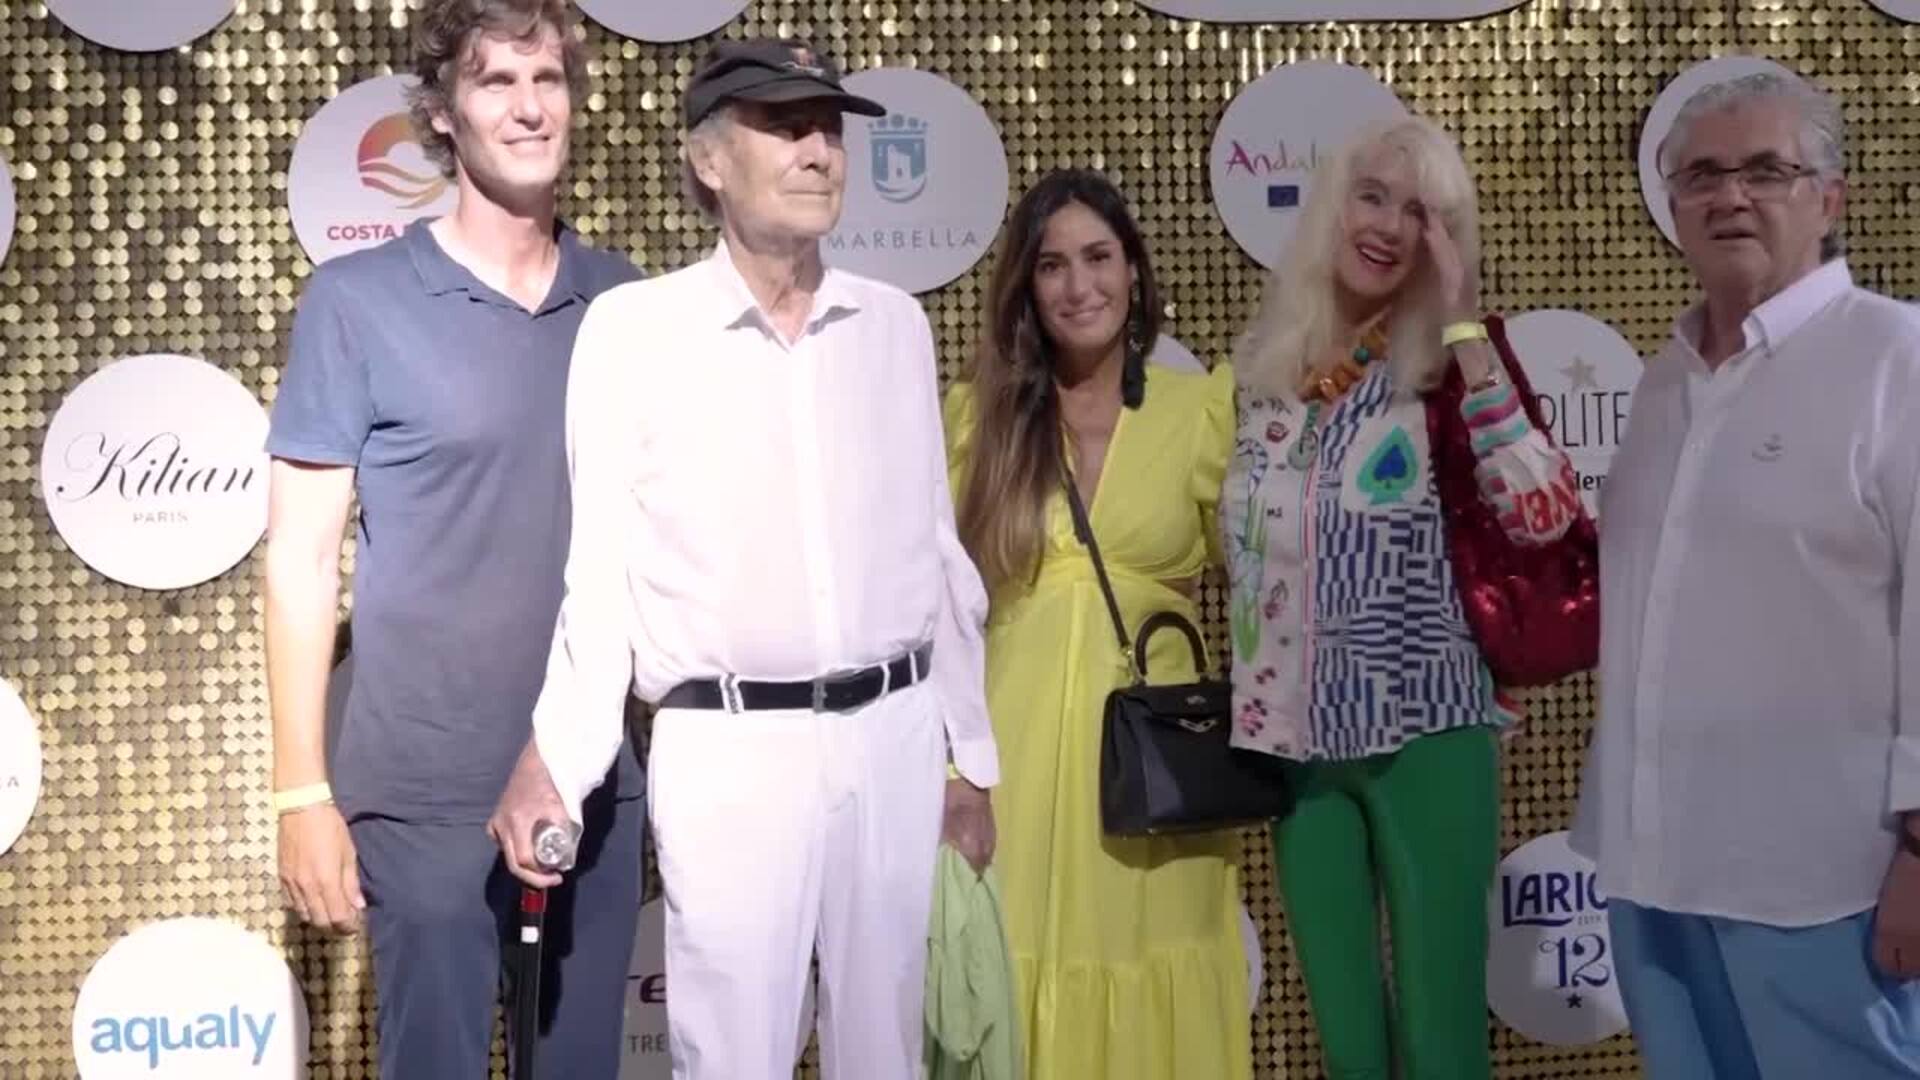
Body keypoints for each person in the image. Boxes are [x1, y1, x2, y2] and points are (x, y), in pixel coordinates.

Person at [483, 37, 1000, 1080]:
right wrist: (559, 758)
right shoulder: (635, 331)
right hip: (727, 751)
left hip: (896, 740)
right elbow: (601, 575)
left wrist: (969, 759)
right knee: (731, 1057)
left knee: (888, 1055)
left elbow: (934, 554)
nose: (819, 150)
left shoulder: (894, 326)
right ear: (709, 159)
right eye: (785, 126)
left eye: (829, 128)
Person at [262, 1, 646, 1076]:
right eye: (496, 82)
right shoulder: (358, 302)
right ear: (443, 113)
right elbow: (299, 564)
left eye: (548, 80)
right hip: (424, 797)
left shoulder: (627, 305)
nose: (529, 108)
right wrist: (301, 794)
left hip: (589, 784)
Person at [1223, 114, 1589, 1079]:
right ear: (1334, 208)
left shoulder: (1450, 368)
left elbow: (1546, 513)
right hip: (1299, 751)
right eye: (1373, 197)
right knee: (1349, 1044)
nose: (1388, 226)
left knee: (1439, 1042)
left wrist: (1466, 329)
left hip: (1427, 733)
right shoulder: (1265, 373)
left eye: (1421, 213)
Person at [1570, 70, 1920, 1078]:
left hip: (1827, 886)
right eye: (1703, 175)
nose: (1731, 196)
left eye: (1767, 171)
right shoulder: (1665, 380)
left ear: (1830, 197)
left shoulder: (1896, 361)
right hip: (1653, 876)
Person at [942, 168, 1250, 1079]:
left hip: (1159, 779)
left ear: (1134, 270)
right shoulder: (976, 422)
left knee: (1154, 974)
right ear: (1025, 288)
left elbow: (1269, 584)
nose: (1079, 286)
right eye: (1052, 265)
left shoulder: (1203, 413)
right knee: (1013, 978)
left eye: (1098, 257)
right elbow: (938, 617)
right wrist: (955, 771)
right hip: (1012, 765)